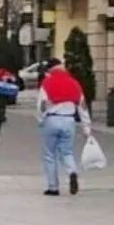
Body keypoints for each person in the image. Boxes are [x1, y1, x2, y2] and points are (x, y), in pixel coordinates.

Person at [36, 58, 91, 195]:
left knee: (49, 154)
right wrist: (86, 126)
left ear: (50, 69)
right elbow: (83, 106)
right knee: (67, 152)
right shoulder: (74, 83)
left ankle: (53, 187)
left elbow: (42, 104)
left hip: (52, 119)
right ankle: (72, 172)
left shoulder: (47, 83)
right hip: (69, 120)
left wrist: (41, 119)